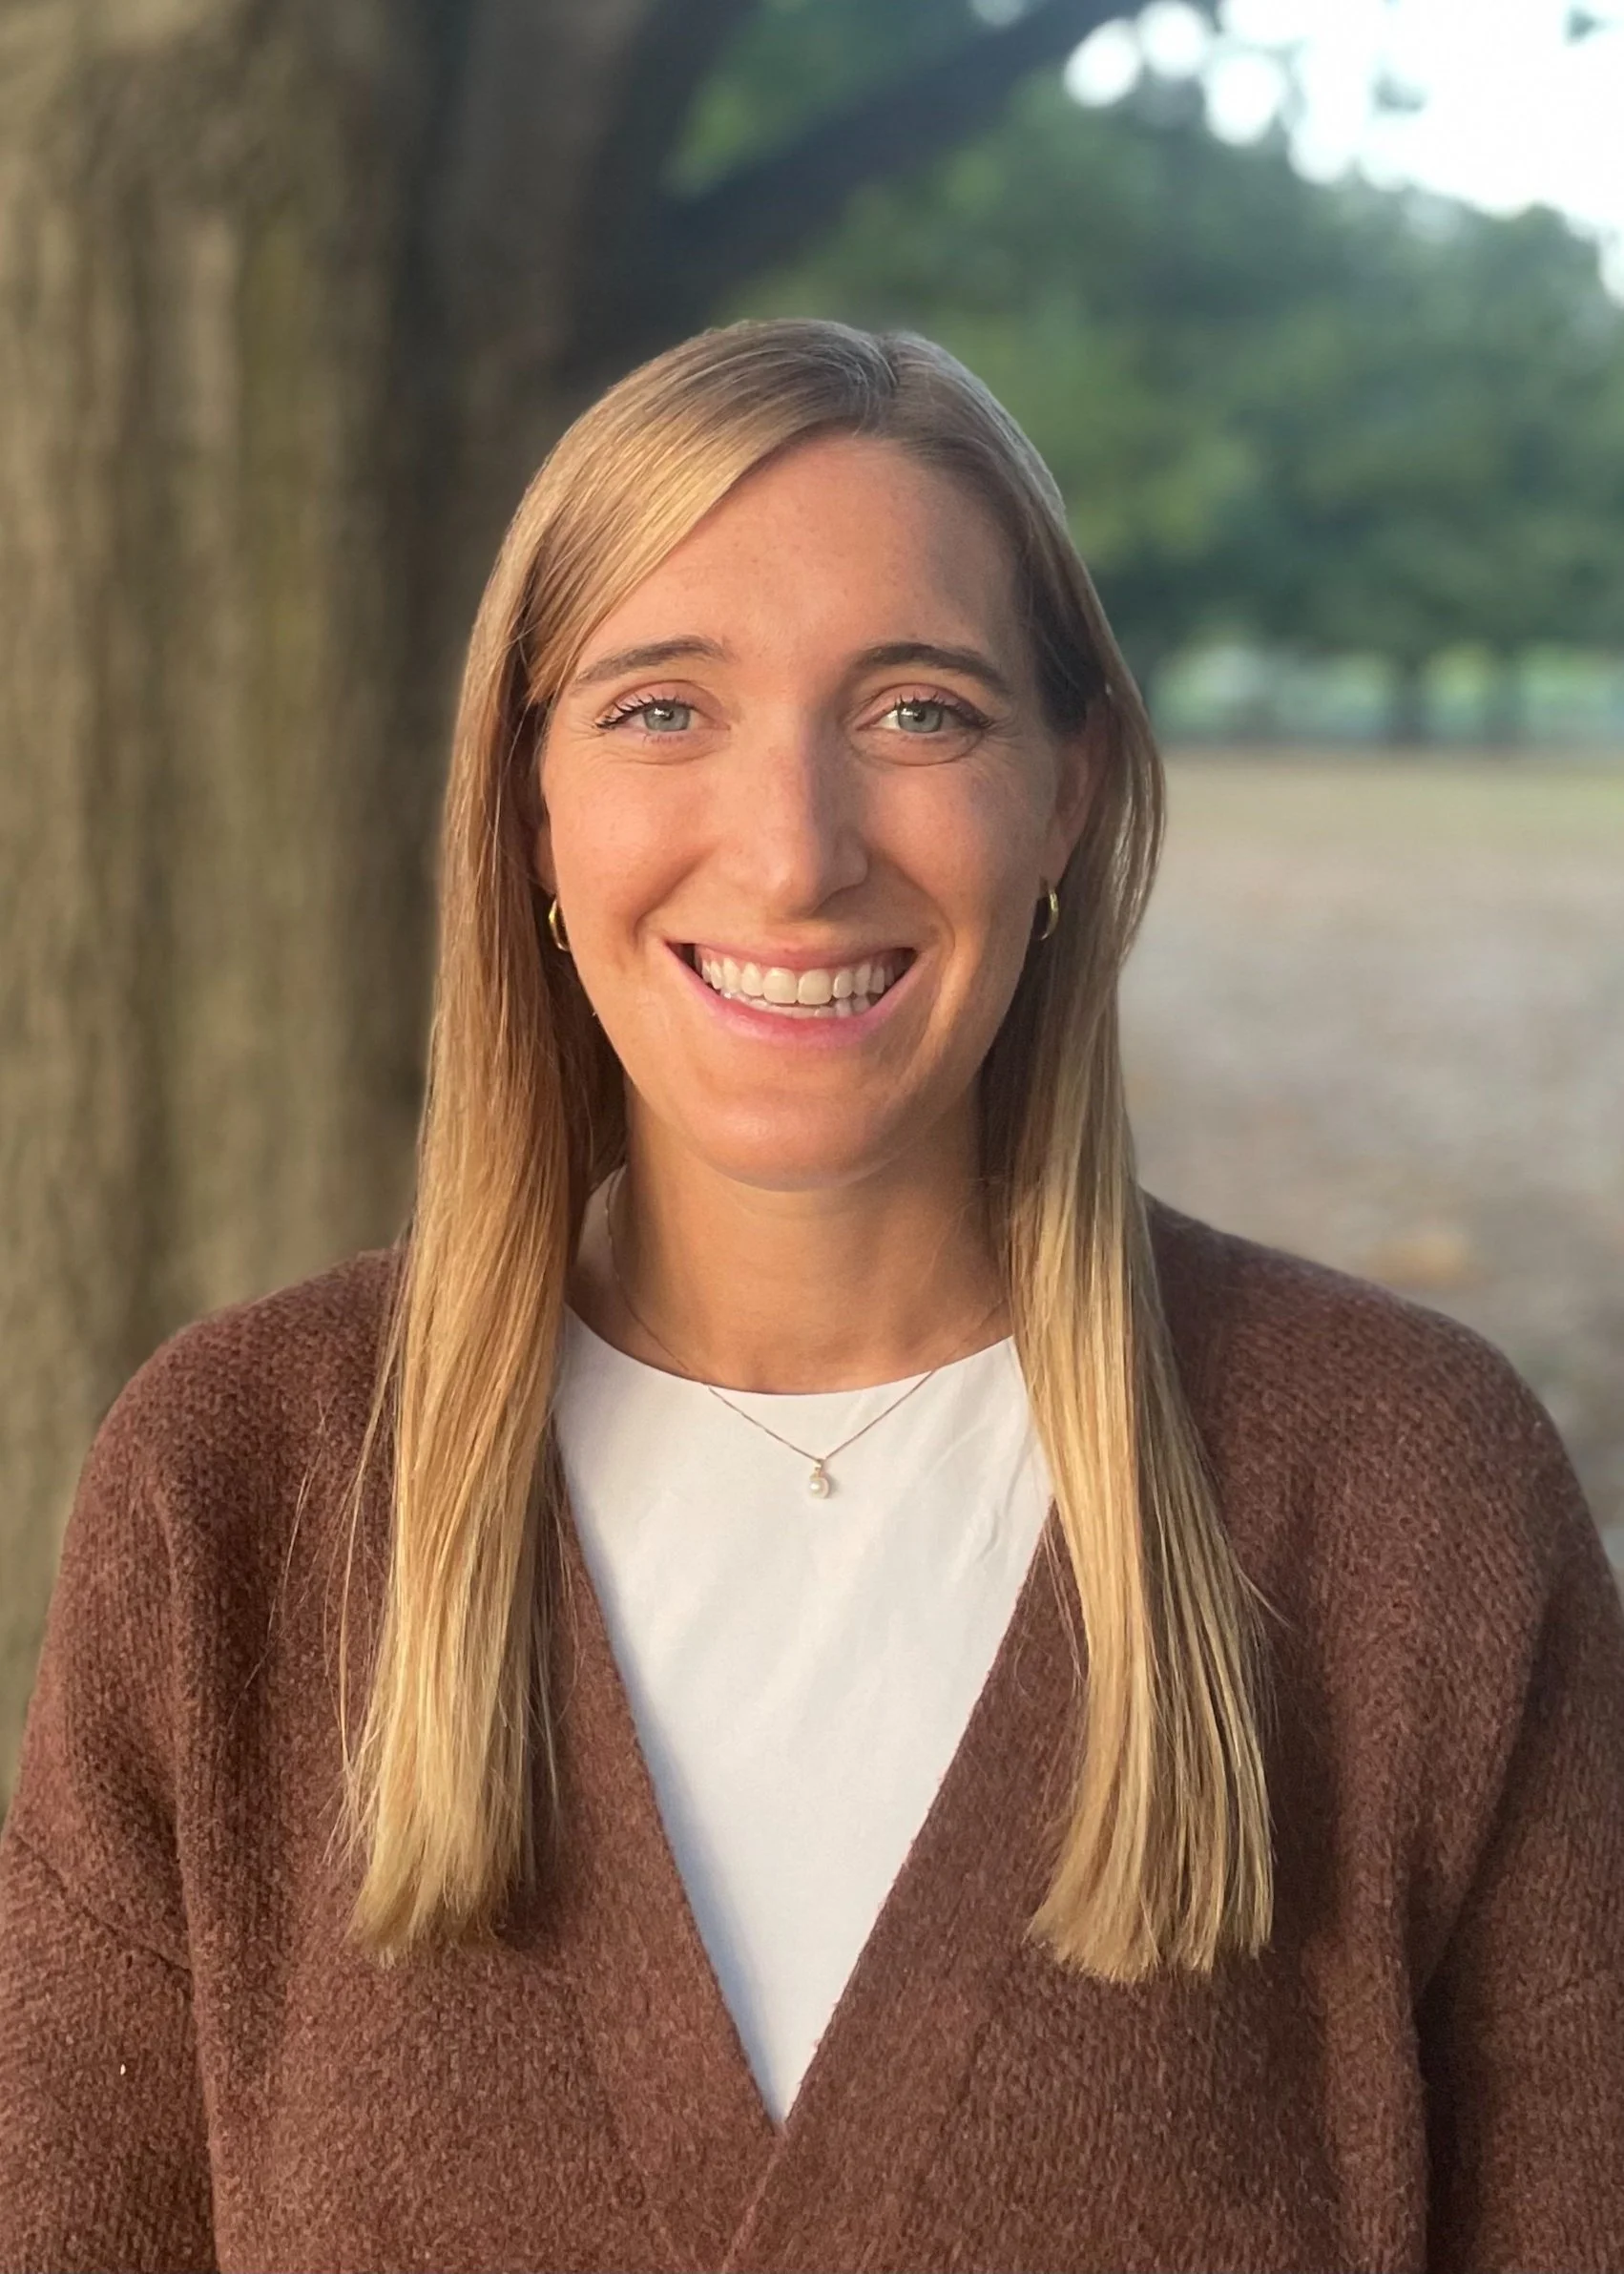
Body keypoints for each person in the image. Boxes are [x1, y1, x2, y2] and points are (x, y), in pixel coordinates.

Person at [2, 318, 1621, 2274]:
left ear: (1067, 794)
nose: (790, 853)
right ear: (527, 802)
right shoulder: (238, 1487)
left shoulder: (1402, 1500)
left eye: (916, 711)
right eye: (660, 709)